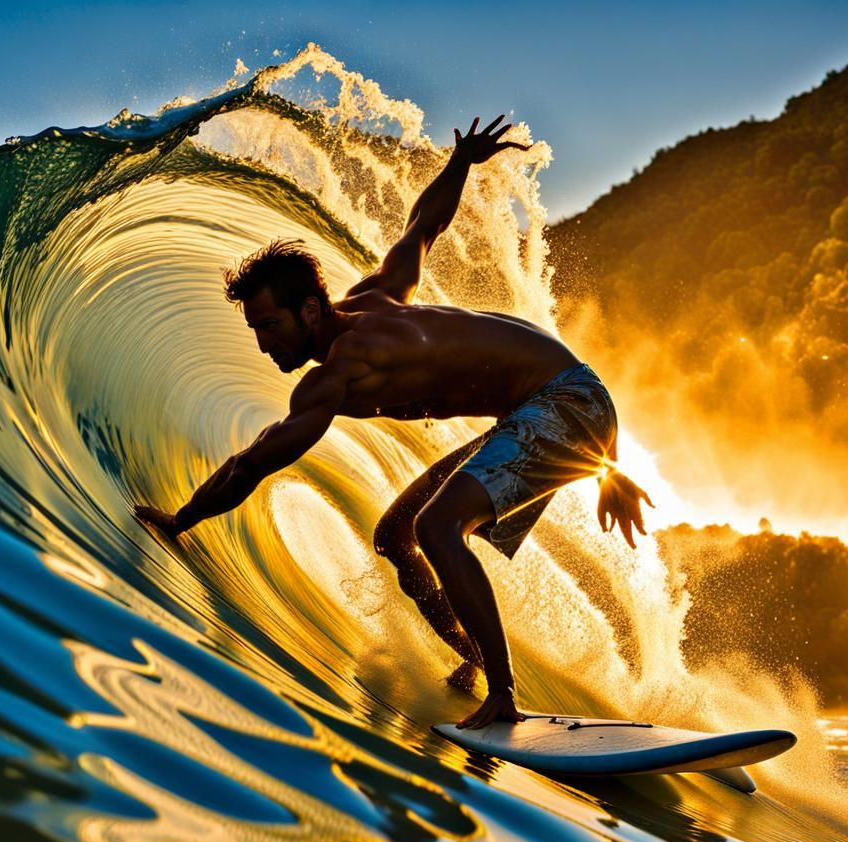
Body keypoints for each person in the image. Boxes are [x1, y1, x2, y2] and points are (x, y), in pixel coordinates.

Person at [135, 115, 653, 729]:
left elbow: (256, 460)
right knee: (397, 535)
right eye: (255, 330)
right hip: (557, 404)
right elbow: (422, 227)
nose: (263, 344)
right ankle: (473, 656)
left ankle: (503, 695)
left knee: (437, 527)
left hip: (566, 402)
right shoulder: (377, 295)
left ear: (309, 310)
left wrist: (182, 520)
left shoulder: (339, 372)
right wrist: (460, 164)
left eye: (269, 326)